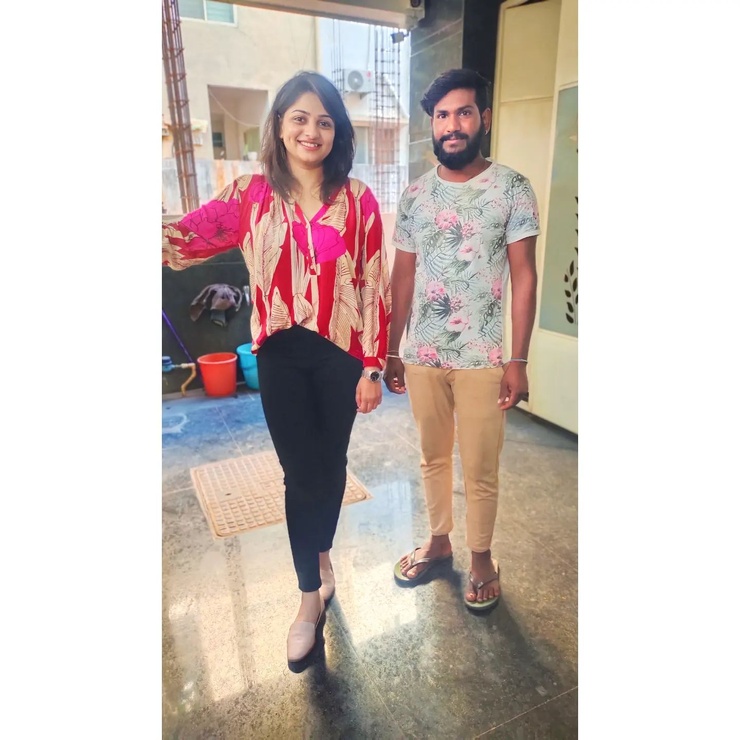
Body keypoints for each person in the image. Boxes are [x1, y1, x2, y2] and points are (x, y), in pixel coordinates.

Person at [162, 71, 391, 667]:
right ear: (280, 126)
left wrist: (372, 367)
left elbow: (373, 284)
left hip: (341, 356)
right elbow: (184, 238)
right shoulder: (249, 195)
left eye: (324, 120)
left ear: (336, 131)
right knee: (298, 472)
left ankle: (321, 556)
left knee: (329, 465)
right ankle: (309, 596)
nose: (311, 130)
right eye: (300, 118)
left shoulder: (358, 200)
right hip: (280, 356)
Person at [384, 69, 539, 612]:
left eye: (464, 113)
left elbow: (524, 275)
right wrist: (392, 349)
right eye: (442, 115)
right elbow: (403, 275)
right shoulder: (415, 195)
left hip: (482, 358)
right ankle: (439, 541)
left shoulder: (513, 188)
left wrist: (517, 359)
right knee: (431, 457)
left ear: (484, 119)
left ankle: (481, 557)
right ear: (433, 124)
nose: (452, 125)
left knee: (480, 466)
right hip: (423, 355)